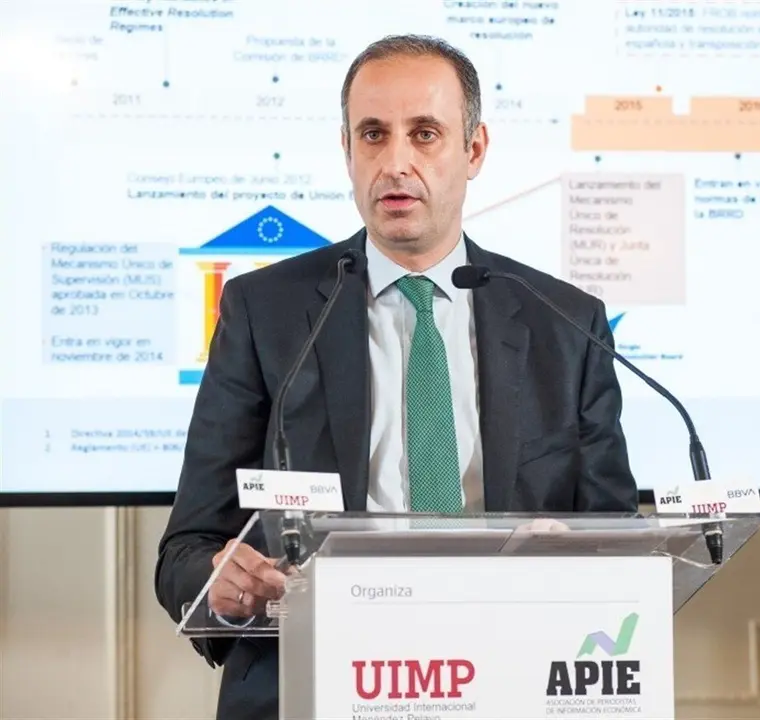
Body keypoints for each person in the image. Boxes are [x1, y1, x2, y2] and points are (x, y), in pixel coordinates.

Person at [154, 34, 638, 720]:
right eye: (373, 134)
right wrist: (223, 586)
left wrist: (580, 565)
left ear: (474, 150)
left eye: (425, 134)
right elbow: (187, 550)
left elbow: (619, 538)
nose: (395, 162)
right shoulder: (266, 312)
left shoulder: (564, 321)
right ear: (347, 150)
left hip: (511, 681)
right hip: (313, 684)